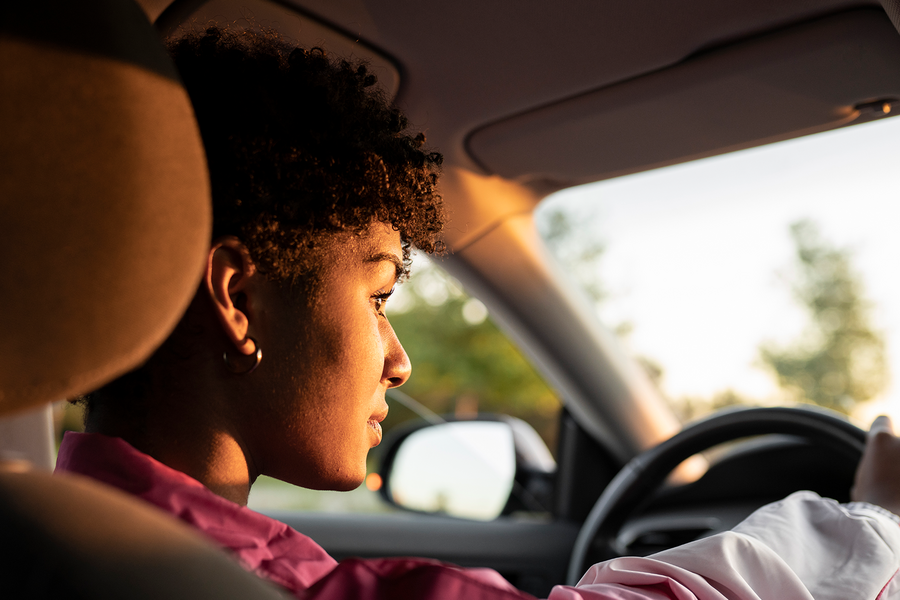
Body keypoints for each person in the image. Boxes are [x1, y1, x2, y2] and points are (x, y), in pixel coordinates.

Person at [56, 27, 900, 600]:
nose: (400, 362)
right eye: (378, 298)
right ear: (239, 299)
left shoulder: (45, 538)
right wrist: (875, 520)